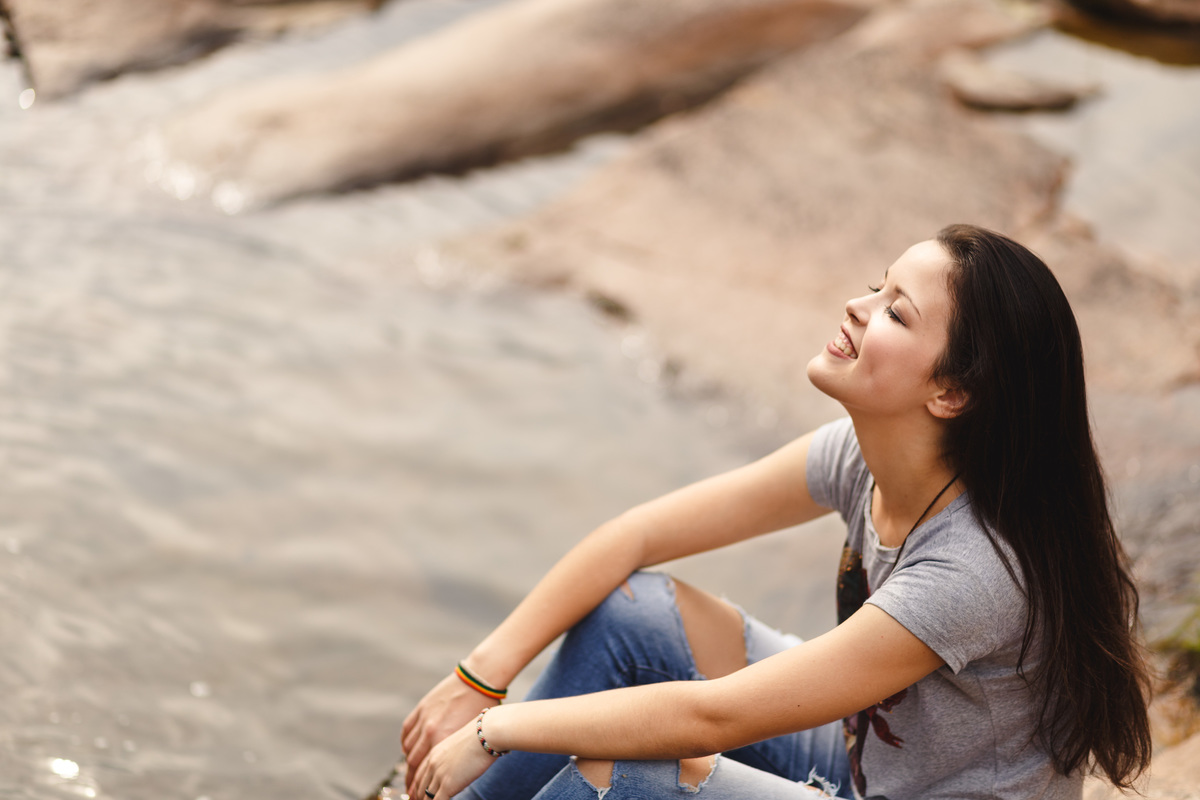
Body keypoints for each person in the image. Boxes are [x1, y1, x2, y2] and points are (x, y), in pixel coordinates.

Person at [399, 224, 1152, 800]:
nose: (857, 307)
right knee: (632, 613)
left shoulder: (975, 570)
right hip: (860, 760)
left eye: (895, 312)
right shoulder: (862, 458)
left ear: (951, 393)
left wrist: (496, 729)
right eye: (877, 286)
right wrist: (480, 679)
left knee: (620, 770)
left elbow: (714, 718)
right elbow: (636, 535)